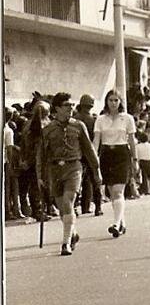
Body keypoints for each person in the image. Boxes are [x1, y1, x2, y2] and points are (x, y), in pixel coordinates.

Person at [38, 93, 101, 256]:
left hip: (74, 167)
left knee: (68, 202)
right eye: (67, 105)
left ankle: (65, 243)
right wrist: (40, 176)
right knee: (61, 208)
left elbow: (89, 150)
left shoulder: (79, 126)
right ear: (57, 108)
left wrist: (97, 171)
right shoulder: (47, 130)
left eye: (72, 105)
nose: (71, 108)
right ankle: (72, 233)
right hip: (54, 169)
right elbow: (41, 155)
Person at [92, 90, 137, 239]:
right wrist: (94, 159)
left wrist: (135, 160)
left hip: (122, 154)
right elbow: (96, 141)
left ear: (120, 102)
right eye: (111, 100)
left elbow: (131, 140)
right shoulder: (100, 119)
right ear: (106, 101)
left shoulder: (127, 119)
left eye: (116, 100)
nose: (113, 103)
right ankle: (122, 222)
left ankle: (116, 224)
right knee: (112, 192)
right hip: (106, 154)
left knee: (118, 190)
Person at [72, 94, 103, 216]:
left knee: (77, 182)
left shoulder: (74, 119)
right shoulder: (93, 120)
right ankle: (97, 207)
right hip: (90, 152)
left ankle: (74, 207)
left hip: (77, 153)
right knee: (95, 179)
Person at [135, 131, 150, 195]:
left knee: (143, 176)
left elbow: (136, 155)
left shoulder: (137, 146)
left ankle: (144, 189)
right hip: (149, 161)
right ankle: (147, 189)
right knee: (149, 175)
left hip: (141, 161)